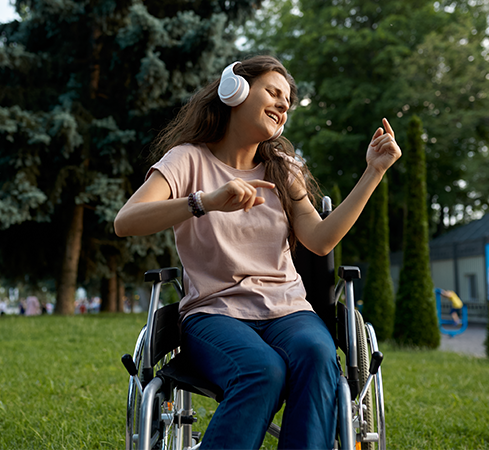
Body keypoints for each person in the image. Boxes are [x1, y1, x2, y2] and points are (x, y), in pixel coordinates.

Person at [114, 55, 401, 450]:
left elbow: (319, 240)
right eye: (274, 92)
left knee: (319, 359)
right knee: (261, 370)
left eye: (288, 102)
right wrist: (205, 202)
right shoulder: (188, 160)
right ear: (236, 91)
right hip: (215, 314)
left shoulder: (282, 168)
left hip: (289, 312)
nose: (284, 105)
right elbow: (126, 221)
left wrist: (374, 172)